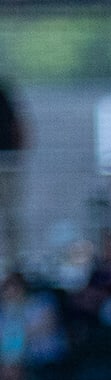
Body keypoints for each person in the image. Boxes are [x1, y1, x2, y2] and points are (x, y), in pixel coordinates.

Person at [0, 83, 28, 271]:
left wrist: (15, 157)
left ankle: (14, 264)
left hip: (6, 163)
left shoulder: (3, 92)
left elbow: (20, 126)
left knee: (11, 216)